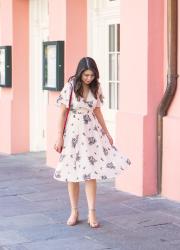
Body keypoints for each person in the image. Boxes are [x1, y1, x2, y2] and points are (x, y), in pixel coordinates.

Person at [53, 57, 131, 228]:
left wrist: (107, 133)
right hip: (73, 133)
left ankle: (91, 212)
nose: (89, 78)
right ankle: (74, 211)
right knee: (72, 174)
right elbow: (61, 113)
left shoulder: (96, 87)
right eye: (86, 75)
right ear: (80, 73)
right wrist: (59, 136)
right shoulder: (71, 86)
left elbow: (97, 111)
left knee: (91, 172)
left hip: (92, 133)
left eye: (92, 75)